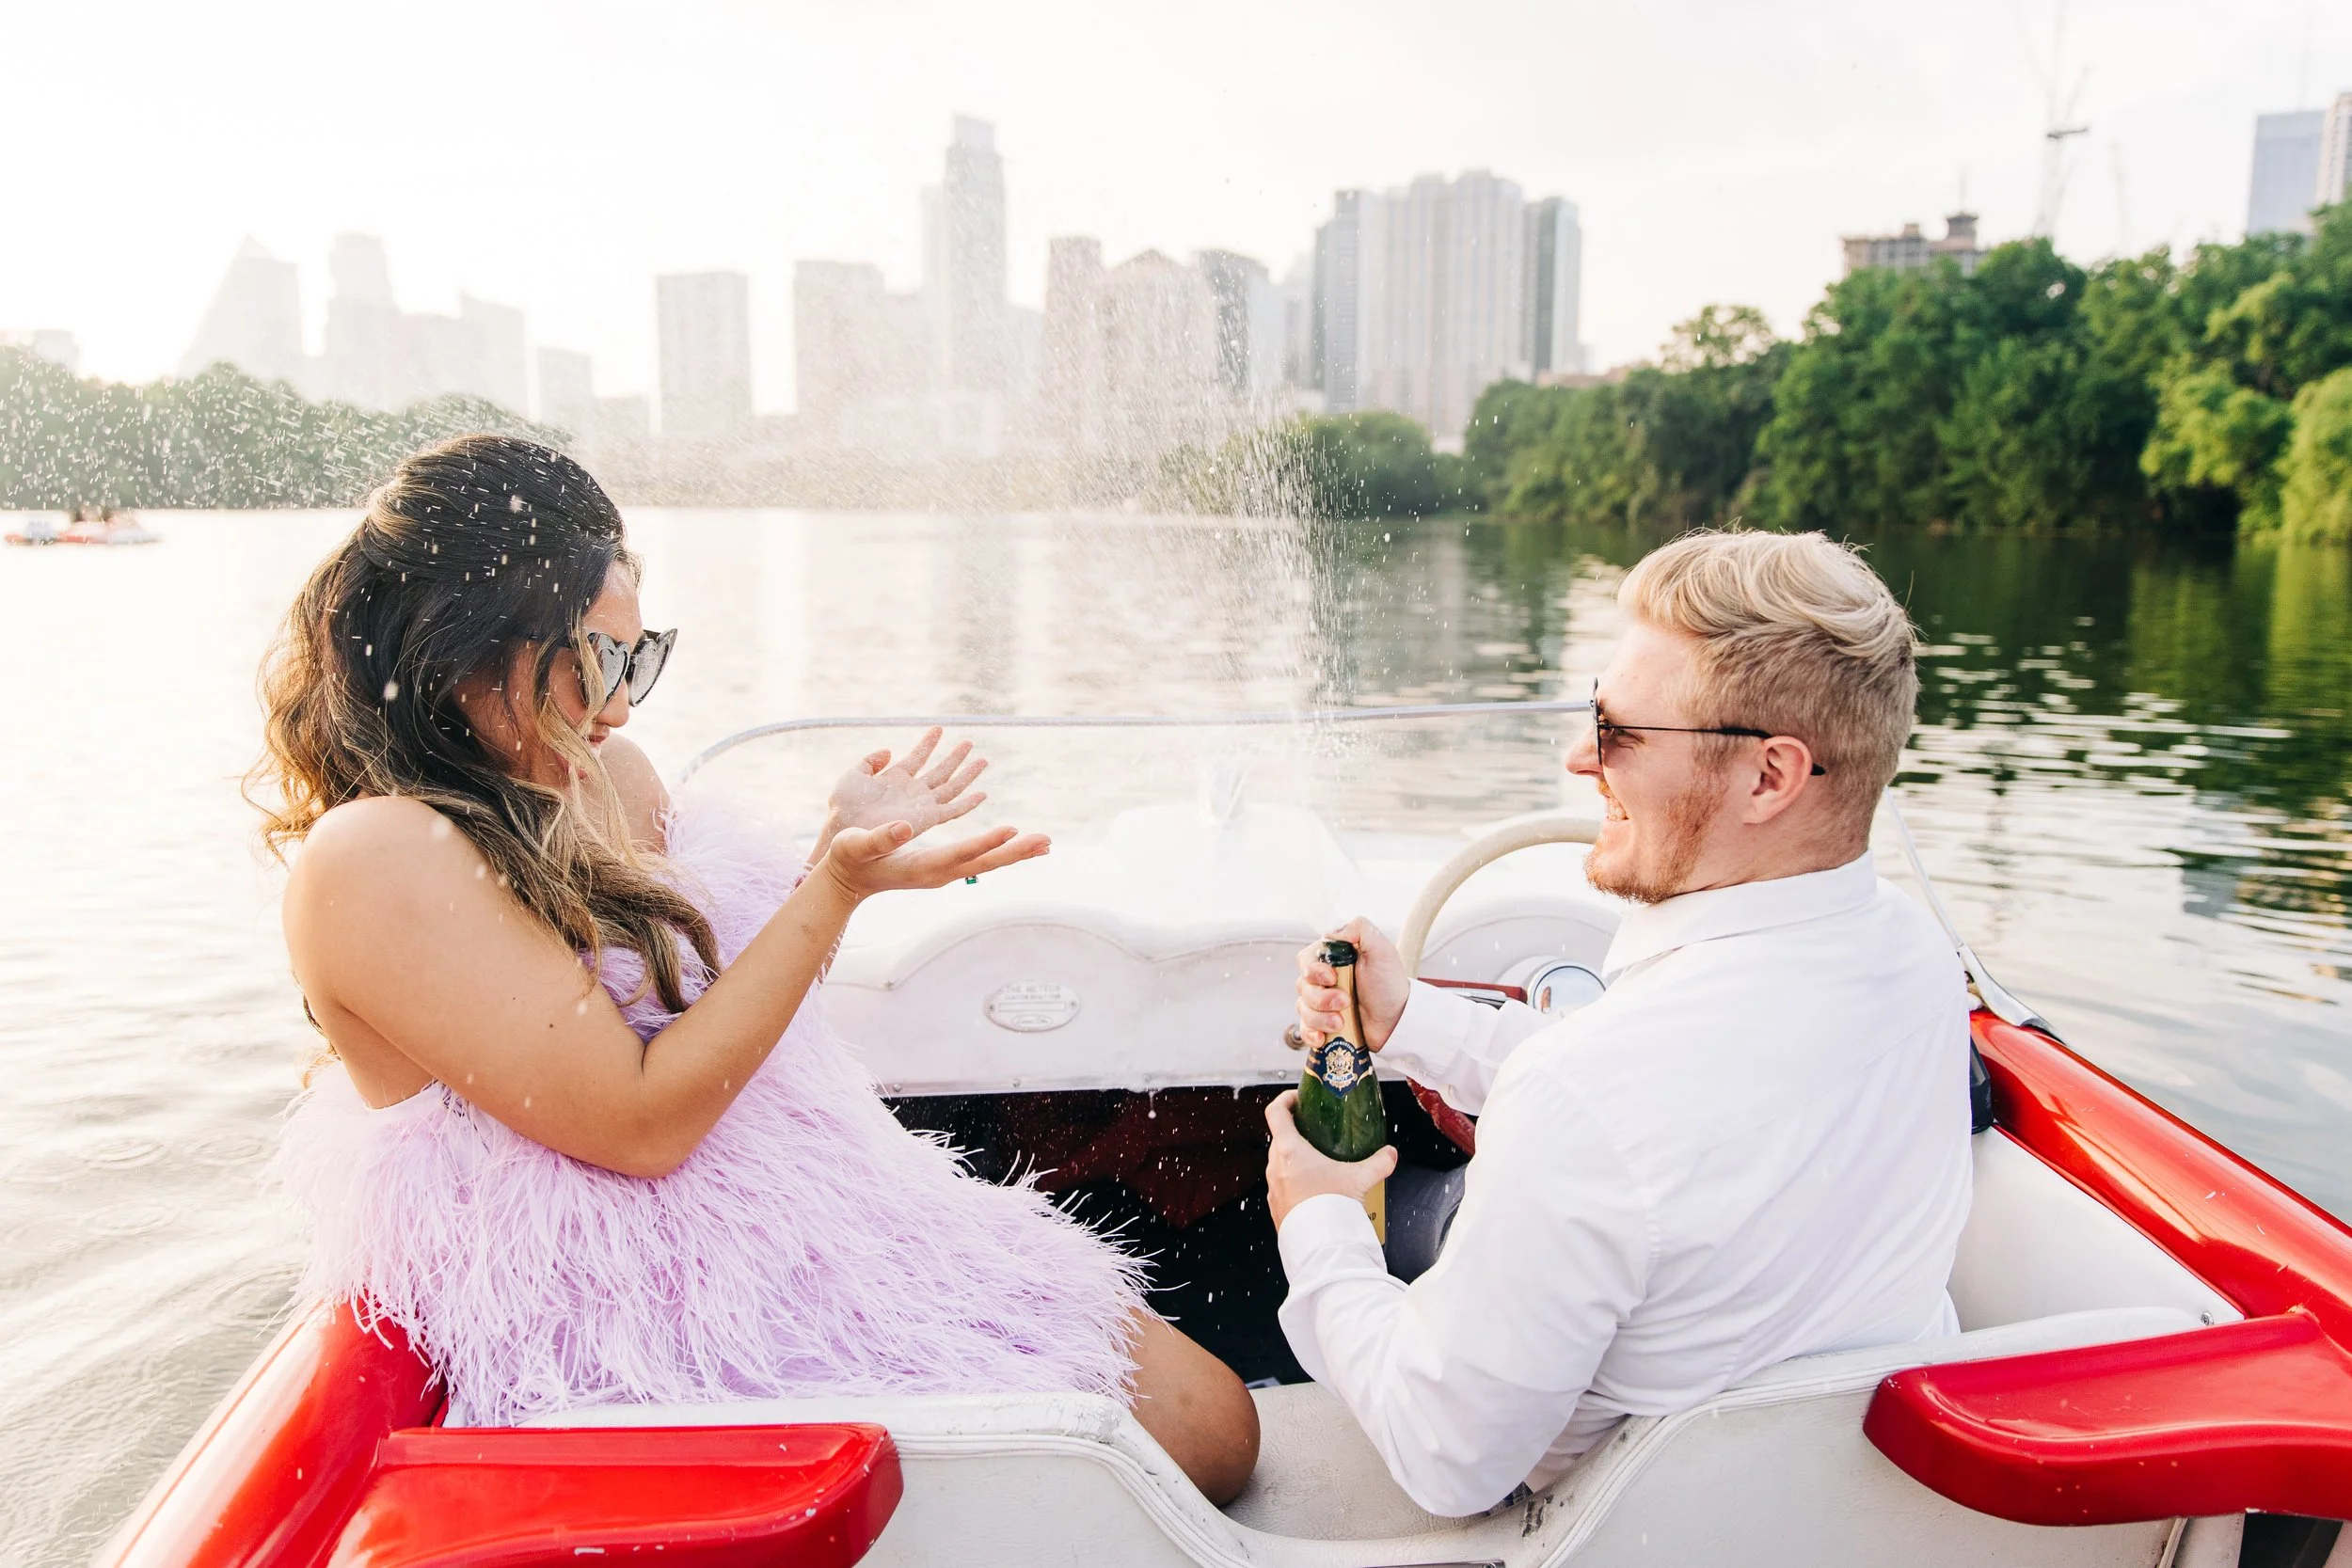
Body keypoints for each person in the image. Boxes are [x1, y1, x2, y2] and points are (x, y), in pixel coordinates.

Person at [258, 434, 1258, 1501]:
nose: (620, 709)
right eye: (596, 661)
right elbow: (639, 1123)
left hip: (790, 1199)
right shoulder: (372, 858)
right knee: (1201, 1437)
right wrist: (833, 888)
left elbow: (710, 1011)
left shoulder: (607, 777)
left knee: (1215, 1420)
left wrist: (834, 861)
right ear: (466, 639)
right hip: (636, 1300)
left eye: (638, 660)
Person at [1263, 529, 1973, 1517]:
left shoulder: (1588, 1098)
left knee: (1318, 1229)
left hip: (1611, 1524)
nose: (1576, 757)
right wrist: (1415, 1020)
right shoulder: (1917, 955)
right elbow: (1658, 1111)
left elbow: (1444, 1458)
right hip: (1860, 1499)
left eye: (1617, 731)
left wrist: (1318, 1221)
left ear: (1768, 777)